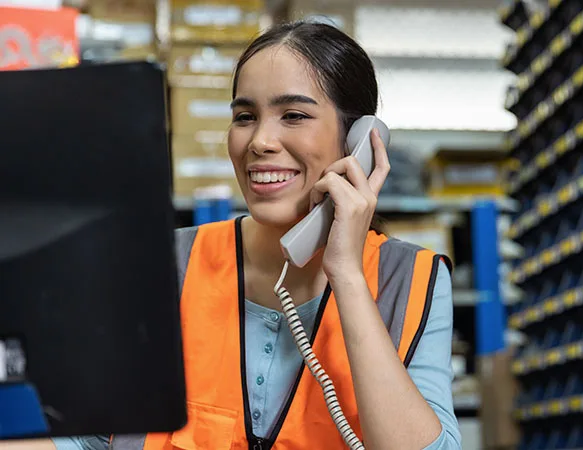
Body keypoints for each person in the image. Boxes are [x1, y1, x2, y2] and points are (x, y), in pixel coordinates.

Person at [0, 20, 461, 450]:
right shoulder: (163, 262)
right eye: (244, 116)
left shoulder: (412, 280)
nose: (259, 140)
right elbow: (79, 437)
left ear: (359, 141)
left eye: (294, 115)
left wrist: (347, 276)